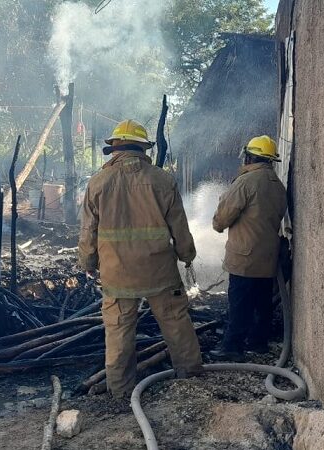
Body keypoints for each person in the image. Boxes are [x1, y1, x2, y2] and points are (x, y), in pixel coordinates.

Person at [78, 119, 203, 398]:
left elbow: (88, 232)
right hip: (159, 271)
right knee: (176, 323)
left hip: (117, 274)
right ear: (143, 148)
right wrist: (187, 255)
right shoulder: (163, 180)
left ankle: (121, 392)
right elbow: (179, 227)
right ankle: (191, 378)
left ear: (115, 147)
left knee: (118, 332)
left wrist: (88, 263)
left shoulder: (98, 183)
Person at [210, 135, 287, 361]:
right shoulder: (278, 185)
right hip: (268, 256)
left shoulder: (246, 181)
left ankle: (231, 348)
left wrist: (217, 223)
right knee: (262, 302)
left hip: (244, 257)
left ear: (250, 157)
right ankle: (258, 343)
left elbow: (222, 218)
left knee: (239, 304)